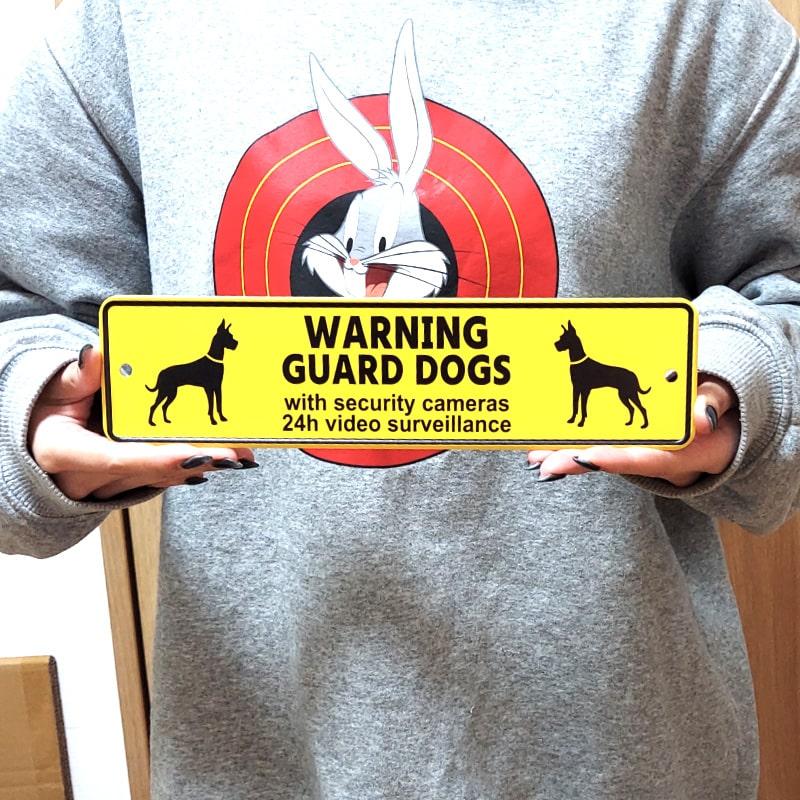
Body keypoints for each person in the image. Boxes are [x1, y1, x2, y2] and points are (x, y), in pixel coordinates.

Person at [1, 0, 798, 797]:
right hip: (263, 759)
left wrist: (743, 385)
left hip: (620, 755)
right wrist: (37, 406)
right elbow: (21, 314)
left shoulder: (698, 20)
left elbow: (785, 296)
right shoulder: (123, 22)